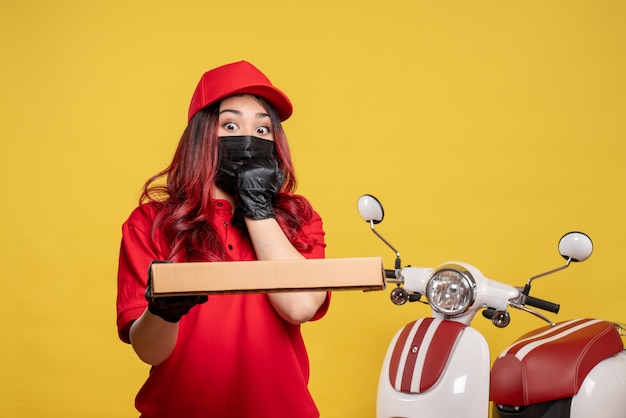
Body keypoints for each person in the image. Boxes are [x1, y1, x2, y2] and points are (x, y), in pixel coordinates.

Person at [116, 60, 330, 418]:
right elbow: (149, 351)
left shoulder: (299, 218)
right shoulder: (149, 223)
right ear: (201, 137)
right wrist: (163, 312)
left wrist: (257, 208)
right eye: (230, 125)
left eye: (263, 130)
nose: (249, 139)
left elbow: (299, 307)